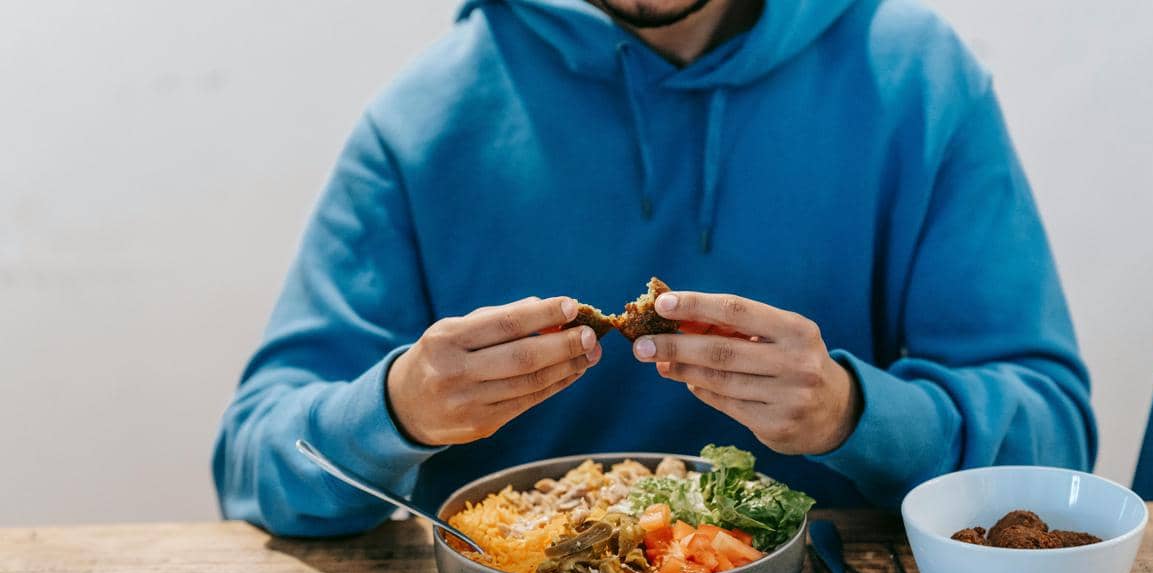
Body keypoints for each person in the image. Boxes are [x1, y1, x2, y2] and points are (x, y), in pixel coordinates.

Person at [215, 0, 1096, 535]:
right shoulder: (425, 119)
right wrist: (396, 411)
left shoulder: (917, 79)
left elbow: (1054, 441)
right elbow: (256, 462)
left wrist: (853, 414)